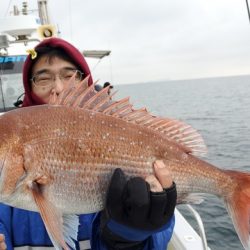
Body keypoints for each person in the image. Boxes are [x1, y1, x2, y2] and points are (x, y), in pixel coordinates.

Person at [0, 38, 177, 250]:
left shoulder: (121, 129)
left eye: (69, 76)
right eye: (43, 78)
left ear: (86, 81)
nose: (57, 87)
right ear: (30, 87)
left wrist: (129, 239)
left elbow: (159, 237)